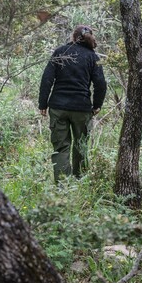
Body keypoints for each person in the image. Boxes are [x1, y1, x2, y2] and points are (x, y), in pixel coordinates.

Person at [38, 25, 107, 182]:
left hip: (58, 107)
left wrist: (43, 104)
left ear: (73, 37)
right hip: (81, 109)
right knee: (80, 146)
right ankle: (79, 181)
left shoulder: (60, 52)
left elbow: (47, 78)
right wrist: (97, 105)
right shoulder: (93, 57)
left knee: (61, 147)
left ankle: (63, 188)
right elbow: (101, 84)